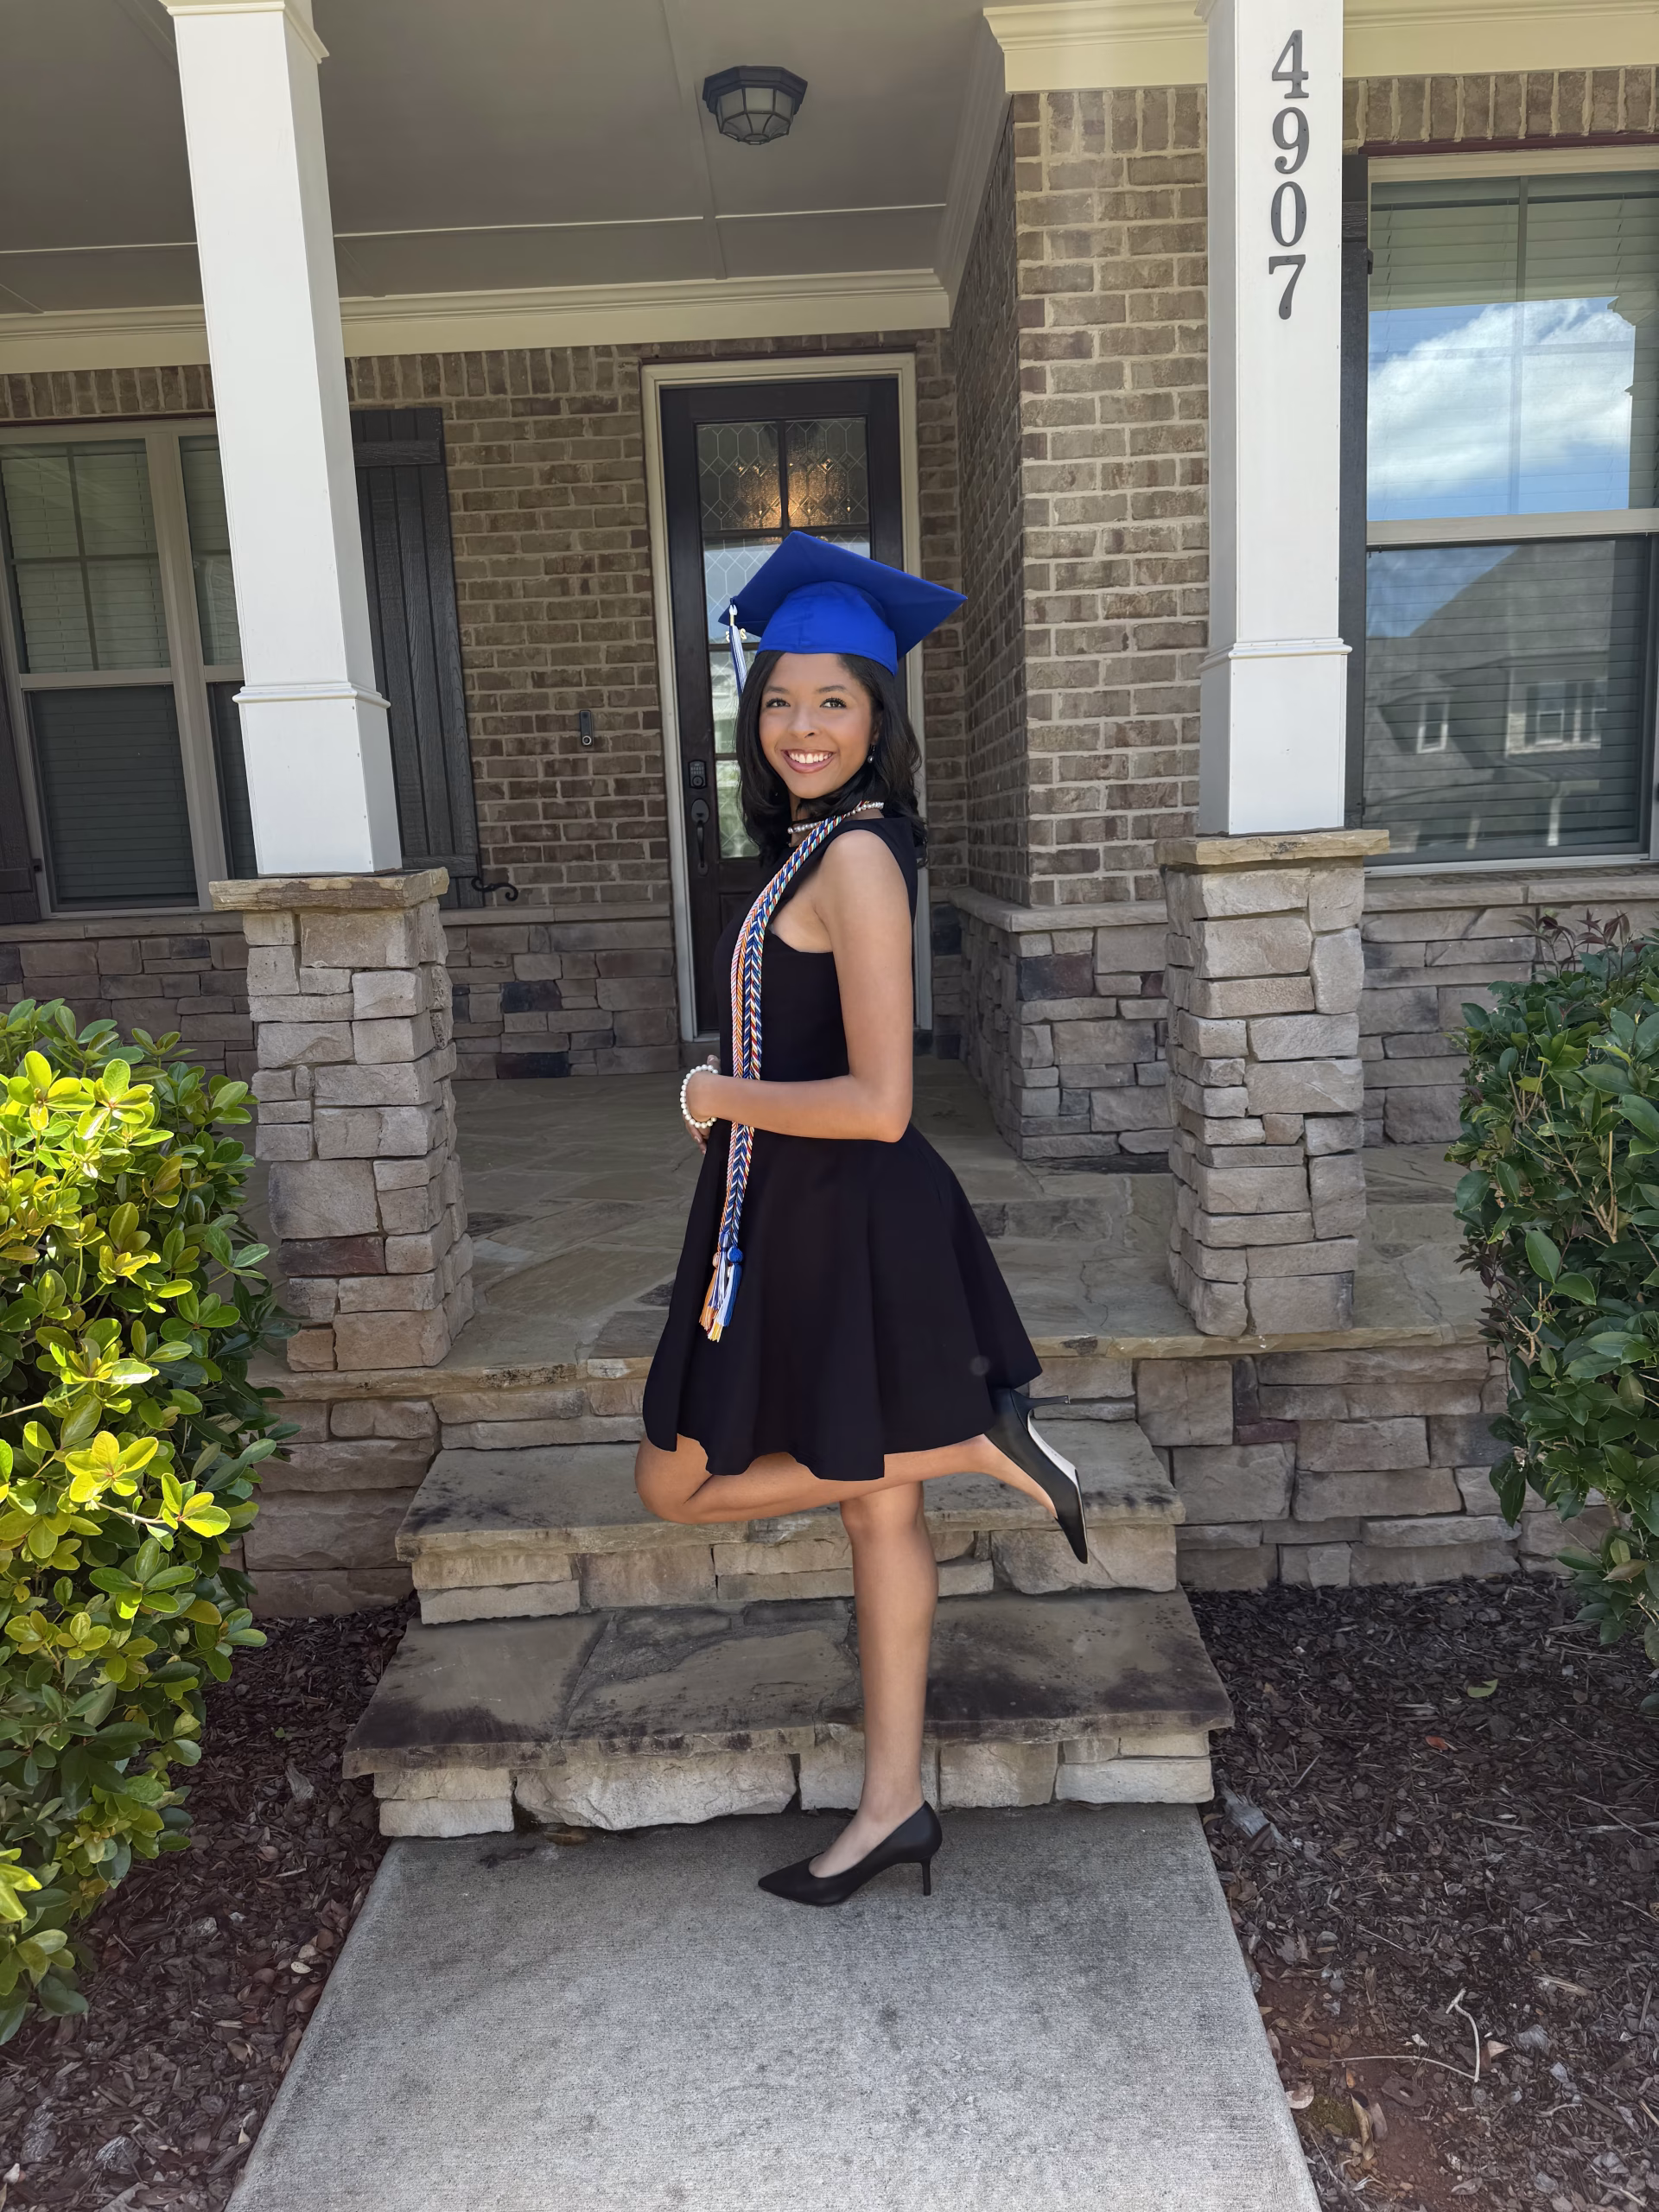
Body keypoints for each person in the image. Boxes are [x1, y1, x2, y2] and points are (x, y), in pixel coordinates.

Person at [637, 534, 1086, 1908]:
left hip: (846, 1211)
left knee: (675, 1484)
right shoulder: (820, 848)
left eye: (834, 701)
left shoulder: (861, 860)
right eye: (779, 700)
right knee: (877, 1519)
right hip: (811, 1212)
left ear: (880, 718)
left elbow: (884, 1103)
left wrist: (715, 1090)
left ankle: (969, 1439)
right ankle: (894, 1808)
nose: (803, 727)